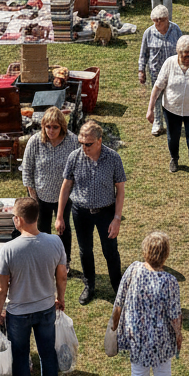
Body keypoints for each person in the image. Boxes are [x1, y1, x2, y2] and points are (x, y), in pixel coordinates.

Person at [0, 197, 66, 376]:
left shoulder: (9, 250)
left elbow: (0, 289)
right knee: (47, 355)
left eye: (14, 216)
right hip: (45, 309)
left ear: (20, 220)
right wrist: (60, 299)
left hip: (18, 314)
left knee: (21, 359)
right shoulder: (55, 243)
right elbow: (61, 276)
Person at [110, 232, 182, 376]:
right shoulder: (169, 281)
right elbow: (175, 315)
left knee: (138, 373)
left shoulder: (133, 269)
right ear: (165, 254)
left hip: (136, 335)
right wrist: (178, 335)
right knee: (162, 370)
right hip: (162, 338)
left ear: (145, 251)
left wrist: (114, 326)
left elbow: (119, 301)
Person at [57, 120, 126, 305]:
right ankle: (89, 285)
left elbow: (120, 190)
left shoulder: (113, 158)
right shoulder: (74, 157)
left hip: (106, 212)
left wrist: (117, 218)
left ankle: (118, 286)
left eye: (88, 144)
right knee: (84, 250)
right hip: (81, 212)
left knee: (110, 250)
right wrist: (59, 216)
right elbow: (66, 186)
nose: (84, 147)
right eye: (81, 143)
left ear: (99, 141)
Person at [147, 35, 189, 193]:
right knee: (173, 137)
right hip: (172, 109)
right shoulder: (169, 63)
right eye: (184, 55)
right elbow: (157, 87)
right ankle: (174, 158)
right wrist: (150, 109)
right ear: (178, 52)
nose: (187, 58)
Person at [21, 106, 79, 266]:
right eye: (48, 127)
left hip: (65, 196)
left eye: (55, 127)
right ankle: (45, 262)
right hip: (41, 196)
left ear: (62, 127)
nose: (51, 131)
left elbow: (78, 168)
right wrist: (33, 198)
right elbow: (27, 170)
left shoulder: (72, 141)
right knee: (42, 231)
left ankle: (64, 261)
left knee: (63, 229)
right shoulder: (35, 142)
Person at [138, 5, 182, 137]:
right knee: (157, 97)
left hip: (174, 71)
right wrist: (141, 70)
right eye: (155, 20)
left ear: (167, 19)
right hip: (156, 71)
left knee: (173, 96)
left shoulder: (175, 30)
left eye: (161, 20)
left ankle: (172, 123)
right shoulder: (149, 33)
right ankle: (157, 122)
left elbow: (182, 49)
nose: (158, 23)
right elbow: (143, 53)